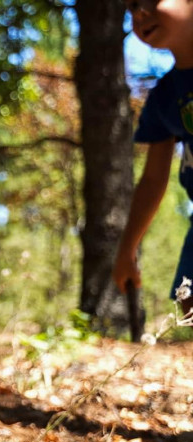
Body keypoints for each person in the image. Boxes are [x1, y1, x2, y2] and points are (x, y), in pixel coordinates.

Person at [113, 0, 193, 314]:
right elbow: (152, 180)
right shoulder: (164, 97)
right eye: (131, 7)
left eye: (150, 0)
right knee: (188, 301)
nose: (139, 13)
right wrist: (127, 249)